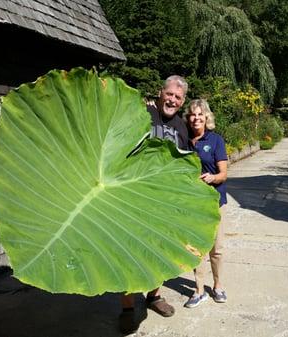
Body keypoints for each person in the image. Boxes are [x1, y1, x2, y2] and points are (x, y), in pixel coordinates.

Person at [119, 75, 190, 334]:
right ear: (161, 93)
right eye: (169, 94)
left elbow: (183, 167)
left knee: (157, 251)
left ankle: (153, 296)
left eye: (177, 97)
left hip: (162, 201)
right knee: (126, 252)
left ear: (182, 102)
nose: (172, 99)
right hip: (134, 196)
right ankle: (127, 308)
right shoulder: (144, 113)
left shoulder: (182, 128)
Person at [183, 98, 228, 308]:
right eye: (193, 114)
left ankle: (217, 285)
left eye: (200, 114)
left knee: (216, 249)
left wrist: (212, 178)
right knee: (195, 249)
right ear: (188, 118)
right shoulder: (183, 140)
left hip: (215, 202)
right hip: (192, 204)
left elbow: (223, 174)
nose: (196, 118)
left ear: (207, 117)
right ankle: (199, 290)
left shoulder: (216, 140)